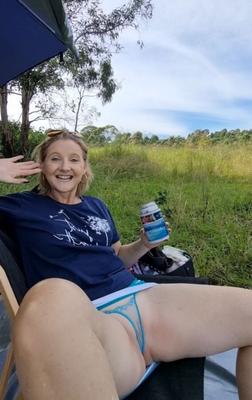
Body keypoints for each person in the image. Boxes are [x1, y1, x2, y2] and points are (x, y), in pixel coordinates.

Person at [0, 129, 251, 400]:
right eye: (55, 159)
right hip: (90, 317)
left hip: (143, 298)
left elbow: (118, 256)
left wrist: (144, 245)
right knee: (51, 292)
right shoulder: (21, 206)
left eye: (74, 159)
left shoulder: (96, 206)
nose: (64, 167)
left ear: (84, 168)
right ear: (42, 166)